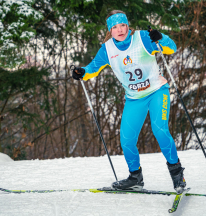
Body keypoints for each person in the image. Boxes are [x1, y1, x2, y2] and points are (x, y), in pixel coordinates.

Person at [72, 10, 186, 194]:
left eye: (123, 25)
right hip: (134, 99)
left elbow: (171, 48)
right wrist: (81, 72)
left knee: (159, 129)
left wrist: (161, 37)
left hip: (157, 91)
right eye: (115, 27)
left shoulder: (142, 38)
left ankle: (177, 176)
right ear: (110, 30)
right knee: (126, 139)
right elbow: (92, 69)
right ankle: (135, 178)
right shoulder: (108, 49)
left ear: (128, 26)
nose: (120, 30)